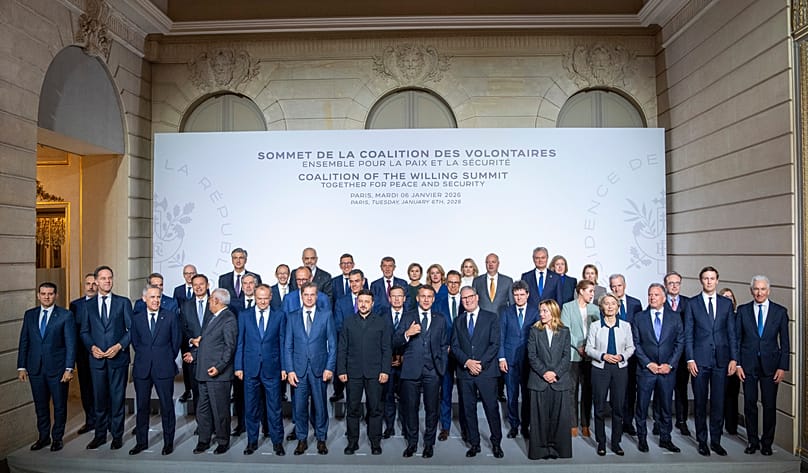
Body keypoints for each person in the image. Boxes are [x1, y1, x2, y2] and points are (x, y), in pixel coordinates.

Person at [684, 266, 737, 456]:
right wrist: (690, 358)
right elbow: (688, 333)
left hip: (721, 360)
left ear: (717, 280)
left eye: (712, 278)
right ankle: (702, 441)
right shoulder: (692, 304)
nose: (709, 281)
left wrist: (734, 359)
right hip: (699, 360)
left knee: (718, 402)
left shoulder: (725, 304)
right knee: (700, 402)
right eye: (705, 278)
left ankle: (716, 441)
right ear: (701, 281)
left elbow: (732, 333)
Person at [17, 282, 75, 452]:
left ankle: (57, 438)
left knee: (59, 405)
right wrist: (21, 366)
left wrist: (69, 368)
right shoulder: (30, 315)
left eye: (50, 294)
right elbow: (24, 341)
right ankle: (43, 437)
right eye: (43, 293)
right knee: (40, 406)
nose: (46, 297)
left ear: (56, 295)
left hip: (57, 370)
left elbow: (71, 344)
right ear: (38, 295)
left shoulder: (65, 316)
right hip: (35, 369)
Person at [736, 275, 789, 456]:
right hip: (748, 366)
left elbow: (786, 343)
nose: (759, 292)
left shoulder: (780, 312)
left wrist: (782, 367)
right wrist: (738, 365)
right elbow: (737, 340)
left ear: (769, 290)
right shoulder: (742, 311)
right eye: (756, 289)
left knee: (769, 405)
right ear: (751, 291)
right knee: (750, 404)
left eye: (763, 289)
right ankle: (752, 441)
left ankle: (767, 443)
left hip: (771, 367)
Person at [81, 265, 132, 451]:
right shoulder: (87, 305)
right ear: (96, 281)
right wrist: (92, 347)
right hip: (97, 360)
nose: (107, 281)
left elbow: (131, 330)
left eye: (110, 278)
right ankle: (100, 436)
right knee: (99, 400)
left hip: (118, 359)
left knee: (117, 399)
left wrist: (119, 346)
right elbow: (84, 331)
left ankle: (117, 436)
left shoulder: (123, 302)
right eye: (103, 278)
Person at [394, 284, 448, 458]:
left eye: (429, 297)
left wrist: (442, 366)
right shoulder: (408, 316)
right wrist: (407, 333)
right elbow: (394, 341)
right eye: (423, 296)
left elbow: (444, 344)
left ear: (433, 299)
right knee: (411, 408)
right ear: (417, 298)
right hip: (411, 369)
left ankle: (429, 444)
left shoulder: (440, 318)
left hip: (433, 370)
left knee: (432, 409)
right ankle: (412, 443)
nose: (426, 299)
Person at [129, 285, 182, 456]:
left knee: (167, 407)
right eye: (152, 297)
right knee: (142, 407)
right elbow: (136, 343)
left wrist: (164, 357)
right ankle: (141, 442)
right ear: (144, 299)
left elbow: (176, 343)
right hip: (142, 368)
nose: (156, 300)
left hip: (164, 367)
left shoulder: (171, 317)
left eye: (158, 297)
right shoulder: (136, 318)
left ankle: (168, 443)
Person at [234, 284, 287, 456]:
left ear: (270, 297)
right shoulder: (244, 315)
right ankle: (252, 442)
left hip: (272, 368)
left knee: (275, 408)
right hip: (250, 369)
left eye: (265, 298)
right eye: (259, 298)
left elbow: (282, 343)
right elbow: (240, 343)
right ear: (254, 298)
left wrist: (284, 367)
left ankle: (277, 442)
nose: (263, 301)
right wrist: (238, 366)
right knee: (251, 408)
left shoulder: (279, 315)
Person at [451, 286, 503, 459]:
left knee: (491, 408)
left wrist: (479, 364)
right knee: (468, 410)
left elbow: (494, 344)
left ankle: (496, 443)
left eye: (470, 296)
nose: (467, 300)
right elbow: (455, 346)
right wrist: (467, 362)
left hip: (486, 372)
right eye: (464, 298)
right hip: (465, 373)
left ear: (477, 297)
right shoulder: (458, 321)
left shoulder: (491, 317)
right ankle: (474, 444)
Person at [284, 282, 336, 455]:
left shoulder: (326, 315)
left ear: (317, 296)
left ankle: (321, 439)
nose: (309, 297)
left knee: (320, 406)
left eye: (312, 294)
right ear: (301, 295)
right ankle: (302, 439)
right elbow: (288, 346)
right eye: (306, 294)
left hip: (319, 369)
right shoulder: (292, 317)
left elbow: (333, 345)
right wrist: (290, 370)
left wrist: (329, 367)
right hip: (298, 371)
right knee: (299, 407)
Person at [338, 289, 392, 455]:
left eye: (366, 301)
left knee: (375, 409)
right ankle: (352, 442)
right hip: (353, 372)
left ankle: (375, 442)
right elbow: (342, 348)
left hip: (375, 373)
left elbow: (386, 349)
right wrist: (341, 369)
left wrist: (385, 370)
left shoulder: (381, 322)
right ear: (357, 302)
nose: (363, 304)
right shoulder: (348, 322)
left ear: (372, 303)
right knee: (352, 409)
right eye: (360, 301)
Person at [632, 283, 684, 454]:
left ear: (663, 298)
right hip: (646, 370)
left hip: (667, 371)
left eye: (655, 295)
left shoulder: (675, 317)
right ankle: (642, 438)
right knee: (642, 406)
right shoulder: (639, 317)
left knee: (666, 407)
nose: (652, 298)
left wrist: (669, 364)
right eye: (650, 294)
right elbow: (636, 344)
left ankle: (665, 438)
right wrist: (648, 363)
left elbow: (680, 342)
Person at [586, 293, 635, 456]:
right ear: (602, 307)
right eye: (606, 303)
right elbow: (588, 348)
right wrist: (603, 355)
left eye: (613, 303)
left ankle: (616, 442)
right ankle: (601, 442)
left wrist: (622, 356)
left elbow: (631, 348)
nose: (610, 306)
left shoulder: (626, 326)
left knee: (618, 407)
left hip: (620, 369)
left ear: (618, 307)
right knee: (599, 407)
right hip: (600, 368)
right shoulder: (595, 326)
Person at [193, 288, 238, 455]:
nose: (209, 302)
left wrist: (219, 367)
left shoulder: (228, 319)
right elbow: (206, 343)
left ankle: (222, 441)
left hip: (218, 374)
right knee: (202, 409)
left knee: (220, 410)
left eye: (211, 299)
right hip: (203, 372)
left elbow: (229, 347)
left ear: (217, 301)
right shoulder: (213, 318)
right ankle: (204, 440)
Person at [527, 299, 572, 460]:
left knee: (559, 419)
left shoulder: (565, 331)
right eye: (540, 311)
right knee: (539, 419)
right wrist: (545, 372)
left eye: (545, 311)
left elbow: (567, 356)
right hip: (539, 381)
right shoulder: (534, 331)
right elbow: (532, 355)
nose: (541, 314)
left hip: (560, 382)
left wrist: (555, 373)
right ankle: (541, 450)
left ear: (553, 312)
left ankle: (557, 450)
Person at [499, 280, 539, 439]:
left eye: (522, 295)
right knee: (512, 394)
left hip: (529, 360)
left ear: (528, 295)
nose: (519, 298)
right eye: (516, 295)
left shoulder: (535, 311)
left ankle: (526, 426)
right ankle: (514, 425)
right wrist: (501, 357)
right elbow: (501, 335)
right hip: (510, 360)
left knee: (527, 395)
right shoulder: (506, 312)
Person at [559, 279, 599, 438]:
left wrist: (588, 347)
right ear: (581, 291)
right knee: (572, 390)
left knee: (588, 391)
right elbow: (565, 330)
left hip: (590, 356)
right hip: (573, 355)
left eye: (593, 291)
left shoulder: (595, 309)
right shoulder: (567, 307)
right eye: (590, 291)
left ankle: (585, 424)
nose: (592, 294)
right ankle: (572, 424)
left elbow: (597, 331)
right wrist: (579, 346)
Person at [609, 273, 643, 435]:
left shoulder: (636, 304)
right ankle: (617, 420)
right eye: (613, 286)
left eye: (619, 285)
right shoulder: (607, 304)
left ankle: (628, 422)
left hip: (631, 355)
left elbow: (640, 328)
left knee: (630, 390)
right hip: (613, 355)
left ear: (625, 285)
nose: (616, 289)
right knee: (616, 390)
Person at [435, 270, 466, 441]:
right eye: (450, 282)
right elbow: (435, 327)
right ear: (446, 283)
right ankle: (445, 427)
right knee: (445, 392)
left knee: (464, 392)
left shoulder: (466, 302)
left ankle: (465, 427)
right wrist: (444, 346)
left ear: (460, 283)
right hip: (445, 353)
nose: (453, 285)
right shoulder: (438, 302)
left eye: (456, 282)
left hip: (462, 353)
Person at [230, 272, 260, 436]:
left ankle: (265, 426)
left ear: (256, 285)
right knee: (240, 394)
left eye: (251, 283)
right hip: (241, 356)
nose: (248, 286)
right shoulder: (233, 305)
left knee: (260, 395)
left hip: (260, 357)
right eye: (245, 283)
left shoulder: (264, 303)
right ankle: (241, 424)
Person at [331, 268, 367, 402]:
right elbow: (339, 325)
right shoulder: (341, 301)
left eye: (357, 281)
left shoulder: (371, 299)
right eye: (351, 281)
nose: (354, 284)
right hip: (348, 347)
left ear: (363, 281)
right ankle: (339, 392)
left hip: (368, 349)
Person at [664, 271, 692, 436]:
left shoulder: (689, 304)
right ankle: (661, 421)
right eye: (670, 283)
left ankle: (682, 421)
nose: (674, 286)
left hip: (682, 356)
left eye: (677, 283)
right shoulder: (659, 302)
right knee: (663, 390)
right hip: (664, 354)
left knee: (681, 390)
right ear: (666, 286)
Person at [69, 273, 97, 434]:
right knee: (86, 389)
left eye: (94, 283)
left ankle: (104, 421)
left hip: (102, 353)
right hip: (83, 354)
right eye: (88, 284)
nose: (91, 286)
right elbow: (72, 332)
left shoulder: (104, 303)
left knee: (101, 388)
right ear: (83, 285)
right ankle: (90, 421)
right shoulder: (75, 305)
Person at [180, 273, 210, 414]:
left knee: (212, 394)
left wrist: (204, 340)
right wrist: (192, 340)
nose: (198, 287)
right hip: (193, 356)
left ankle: (215, 425)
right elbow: (183, 328)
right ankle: (202, 425)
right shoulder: (186, 306)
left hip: (212, 356)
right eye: (195, 285)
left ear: (207, 285)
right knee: (197, 392)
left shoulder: (215, 303)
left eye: (201, 284)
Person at [382, 285, 407, 439]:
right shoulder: (382, 316)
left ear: (404, 298)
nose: (397, 299)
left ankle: (406, 426)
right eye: (394, 296)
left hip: (406, 363)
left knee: (406, 397)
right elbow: (381, 340)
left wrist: (402, 357)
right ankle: (390, 426)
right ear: (389, 298)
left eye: (400, 296)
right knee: (388, 396)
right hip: (388, 363)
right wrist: (390, 357)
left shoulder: (412, 315)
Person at [174, 265, 197, 403]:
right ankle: (188, 390)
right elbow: (175, 311)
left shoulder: (202, 288)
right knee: (186, 363)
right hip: (184, 333)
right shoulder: (178, 290)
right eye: (187, 273)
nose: (189, 276)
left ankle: (197, 390)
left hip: (198, 334)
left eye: (192, 273)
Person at [719, 287, 740, 436]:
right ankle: (718, 425)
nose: (728, 299)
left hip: (736, 360)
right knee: (720, 394)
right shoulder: (718, 316)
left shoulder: (739, 316)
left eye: (730, 297)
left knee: (733, 394)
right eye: (725, 297)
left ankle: (731, 426)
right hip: (721, 360)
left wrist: (737, 360)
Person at [473, 253, 514, 317]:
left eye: (493, 262)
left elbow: (512, 303)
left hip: (501, 319)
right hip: (482, 320)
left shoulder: (508, 281)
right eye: (488, 262)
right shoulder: (477, 281)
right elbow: (473, 302)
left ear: (498, 264)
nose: (490, 264)